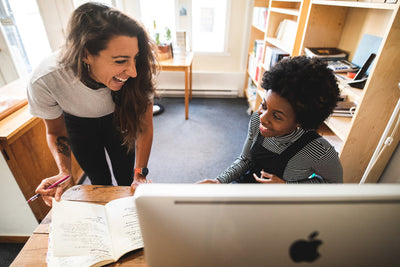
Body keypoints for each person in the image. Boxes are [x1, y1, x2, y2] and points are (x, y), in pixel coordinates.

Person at [27, 2, 158, 206]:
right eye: (121, 61)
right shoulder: (46, 78)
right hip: (78, 123)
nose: (133, 72)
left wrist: (140, 175)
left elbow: (144, 125)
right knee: (98, 183)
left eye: (135, 58)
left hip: (119, 118)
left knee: (126, 178)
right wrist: (63, 172)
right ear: (86, 54)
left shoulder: (138, 71)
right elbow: (55, 132)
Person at [199, 56, 343, 184]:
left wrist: (287, 187)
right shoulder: (257, 120)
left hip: (282, 204)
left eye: (277, 116)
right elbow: (246, 160)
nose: (262, 117)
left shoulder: (319, 150)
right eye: (264, 105)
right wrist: (220, 181)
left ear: (301, 121)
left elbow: (334, 184)